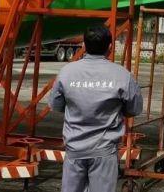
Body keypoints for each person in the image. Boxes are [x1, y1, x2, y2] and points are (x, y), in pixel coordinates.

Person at [49, 26, 143, 192]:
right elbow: (134, 109)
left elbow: (56, 106)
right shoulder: (123, 76)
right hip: (104, 152)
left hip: (74, 149)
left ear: (84, 45)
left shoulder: (66, 73)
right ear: (110, 47)